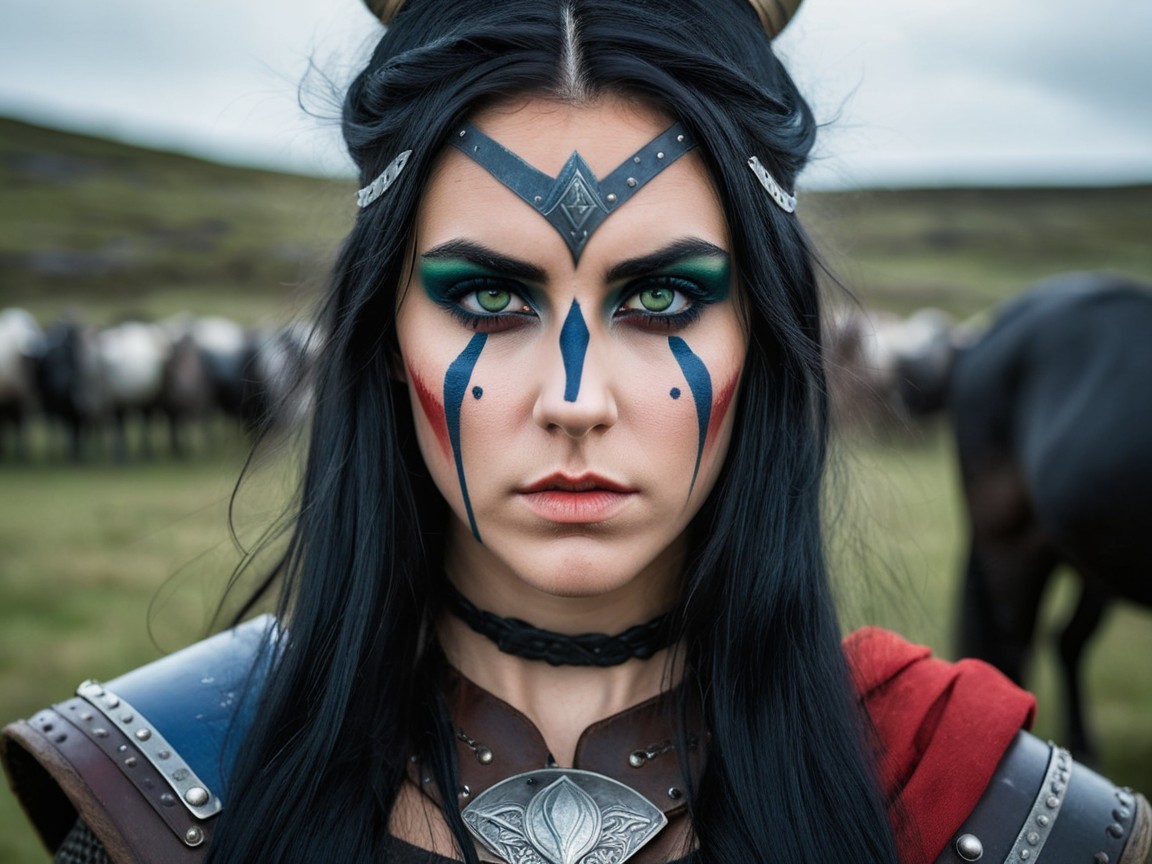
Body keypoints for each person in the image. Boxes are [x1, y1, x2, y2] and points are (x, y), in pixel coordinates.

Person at [3, 1, 1150, 862]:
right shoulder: (169, 796)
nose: (575, 397)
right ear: (383, 333)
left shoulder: (975, 812)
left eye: (661, 298)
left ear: (764, 332)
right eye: (487, 297)